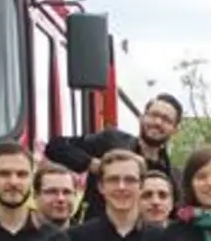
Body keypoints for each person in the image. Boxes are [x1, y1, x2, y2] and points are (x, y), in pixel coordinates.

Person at [46, 93, 183, 221]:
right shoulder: (112, 141)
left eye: (166, 120)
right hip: (95, 233)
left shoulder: (173, 178)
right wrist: (95, 165)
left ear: (175, 130)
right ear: (142, 118)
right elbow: (55, 147)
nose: (158, 122)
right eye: (154, 115)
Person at [34, 162, 78, 227]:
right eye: (52, 192)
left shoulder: (86, 233)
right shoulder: (21, 232)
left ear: (75, 195)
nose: (61, 198)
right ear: (35, 195)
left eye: (67, 192)